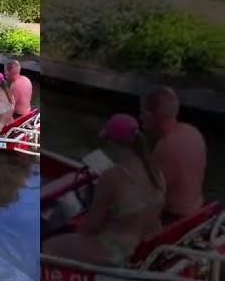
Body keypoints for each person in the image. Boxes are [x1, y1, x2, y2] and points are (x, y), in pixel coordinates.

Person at [43, 114, 165, 267]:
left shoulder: (112, 177)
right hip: (141, 246)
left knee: (49, 245)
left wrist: (72, 230)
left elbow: (91, 226)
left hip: (115, 251)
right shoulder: (155, 172)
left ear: (112, 142)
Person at [141, 86, 206, 223]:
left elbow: (152, 194)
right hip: (197, 208)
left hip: (174, 217)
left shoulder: (166, 146)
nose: (141, 117)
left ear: (155, 113)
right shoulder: (193, 132)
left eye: (143, 111)